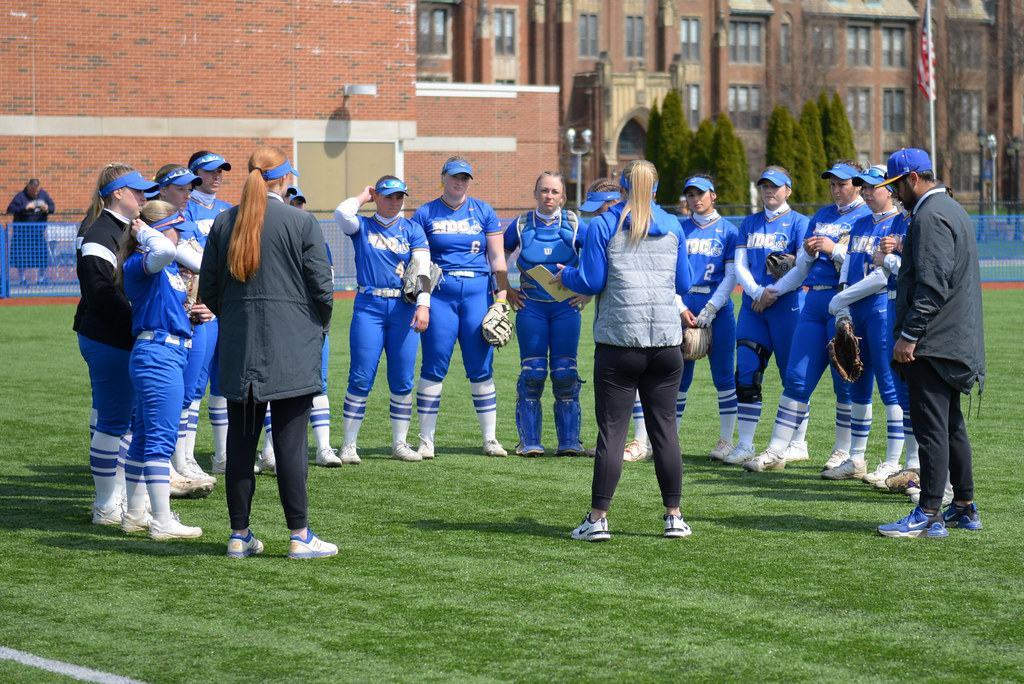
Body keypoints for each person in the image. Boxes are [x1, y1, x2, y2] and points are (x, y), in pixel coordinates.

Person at [198, 145, 337, 559]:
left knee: (240, 447)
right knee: (290, 447)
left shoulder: (224, 222)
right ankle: (299, 535)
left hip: (240, 348)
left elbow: (209, 291)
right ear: (285, 178)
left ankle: (238, 535)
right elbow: (323, 289)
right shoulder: (301, 221)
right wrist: (314, 327)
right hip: (291, 347)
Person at [557, 159, 693, 541]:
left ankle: (598, 519)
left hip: (619, 342)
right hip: (665, 343)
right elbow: (685, 282)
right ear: (656, 189)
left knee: (612, 434)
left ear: (620, 188)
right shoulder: (674, 225)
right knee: (665, 432)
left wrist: (565, 275)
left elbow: (590, 280)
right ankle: (674, 517)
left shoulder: (603, 224)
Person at [875, 149, 985, 538]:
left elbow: (932, 287)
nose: (895, 194)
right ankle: (964, 507)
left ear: (913, 179)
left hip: (933, 341)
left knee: (931, 429)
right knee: (951, 425)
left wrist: (909, 336)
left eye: (896, 185)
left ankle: (929, 513)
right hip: (953, 337)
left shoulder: (929, 215)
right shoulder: (952, 208)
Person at [737, 162, 871, 473]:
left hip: (845, 301)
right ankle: (776, 451)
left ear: (858, 184)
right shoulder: (822, 215)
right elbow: (801, 269)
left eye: (842, 184)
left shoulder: (867, 216)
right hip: (813, 303)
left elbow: (865, 263)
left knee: (845, 379)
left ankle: (843, 452)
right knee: (796, 379)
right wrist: (774, 288)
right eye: (832, 184)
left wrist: (834, 249)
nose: (836, 190)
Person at [116, 200, 210, 539]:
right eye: (175, 229)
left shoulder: (163, 262)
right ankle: (162, 521)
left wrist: (192, 317)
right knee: (159, 441)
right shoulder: (144, 259)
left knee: (144, 438)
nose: (181, 236)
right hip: (158, 355)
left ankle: (135, 514)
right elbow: (166, 249)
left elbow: (198, 263)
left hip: (166, 352)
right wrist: (143, 231)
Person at [410, 157, 511, 459]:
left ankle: (490, 439)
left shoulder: (484, 210)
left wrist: (502, 298)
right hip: (440, 294)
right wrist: (423, 299)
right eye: (454, 176)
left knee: (481, 367)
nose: (459, 182)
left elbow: (497, 259)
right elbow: (420, 261)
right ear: (443, 177)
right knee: (433, 366)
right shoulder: (425, 212)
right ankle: (426, 440)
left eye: (465, 177)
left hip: (477, 294)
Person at [74, 164, 157, 525]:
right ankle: (107, 505)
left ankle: (117, 496)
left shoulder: (126, 228)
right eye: (137, 191)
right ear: (118, 193)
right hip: (107, 337)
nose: (144, 197)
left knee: (126, 419)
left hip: (121, 334)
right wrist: (142, 318)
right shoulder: (100, 233)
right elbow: (100, 294)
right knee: (114, 421)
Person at [334, 176, 431, 463]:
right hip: (369, 304)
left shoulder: (412, 229)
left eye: (399, 197)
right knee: (361, 376)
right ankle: (349, 445)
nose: (395, 202)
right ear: (377, 196)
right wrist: (363, 196)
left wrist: (424, 305)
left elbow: (422, 269)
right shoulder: (362, 225)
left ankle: (400, 444)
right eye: (388, 196)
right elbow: (342, 213)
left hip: (404, 307)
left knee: (402, 378)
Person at [720, 167, 808, 466]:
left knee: (792, 376)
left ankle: (798, 443)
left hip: (787, 306)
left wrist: (773, 292)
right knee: (746, 371)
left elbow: (802, 267)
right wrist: (757, 292)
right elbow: (740, 265)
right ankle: (745, 444)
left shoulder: (800, 222)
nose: (769, 191)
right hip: (753, 307)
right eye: (765, 186)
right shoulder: (750, 222)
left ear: (788, 190)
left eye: (776, 186)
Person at [504, 171, 588, 457]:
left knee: (565, 374)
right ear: (535, 193)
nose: (548, 196)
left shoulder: (575, 224)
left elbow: (597, 257)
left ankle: (569, 442)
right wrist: (505, 289)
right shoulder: (520, 225)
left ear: (563, 196)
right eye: (544, 190)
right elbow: (497, 255)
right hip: (532, 308)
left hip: (566, 308)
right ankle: (529, 442)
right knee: (534, 373)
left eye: (554, 191)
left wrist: (588, 291)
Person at [152, 164, 218, 495]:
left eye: (190, 188)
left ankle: (184, 459)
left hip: (196, 315)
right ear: (162, 190)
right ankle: (165, 464)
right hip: (167, 320)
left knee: (191, 391)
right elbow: (201, 264)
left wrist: (210, 302)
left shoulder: (188, 223)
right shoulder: (155, 225)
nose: (187, 194)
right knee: (169, 393)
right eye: (180, 188)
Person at [677, 175, 739, 458]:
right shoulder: (679, 228)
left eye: (700, 193)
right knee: (677, 378)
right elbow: (669, 272)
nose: (695, 199)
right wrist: (679, 307)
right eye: (690, 194)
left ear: (713, 194)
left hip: (718, 307)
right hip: (684, 306)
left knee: (724, 376)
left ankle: (726, 441)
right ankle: (668, 440)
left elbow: (731, 275)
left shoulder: (728, 230)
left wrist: (712, 307)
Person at [185, 151, 232, 474]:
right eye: (210, 171)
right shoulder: (185, 207)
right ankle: (185, 458)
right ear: (194, 174)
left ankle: (222, 456)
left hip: (228, 306)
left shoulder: (228, 210)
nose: (217, 176)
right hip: (199, 307)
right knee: (194, 386)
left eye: (220, 171)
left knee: (223, 383)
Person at [7, 178, 56, 284]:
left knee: (42, 257)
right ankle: (22, 279)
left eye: (37, 191)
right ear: (28, 187)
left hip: (38, 234)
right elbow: (10, 209)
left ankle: (41, 279)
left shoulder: (43, 194)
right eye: (33, 191)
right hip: (22, 234)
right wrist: (24, 208)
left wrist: (47, 208)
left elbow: (52, 208)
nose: (35, 193)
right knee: (21, 258)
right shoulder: (20, 196)